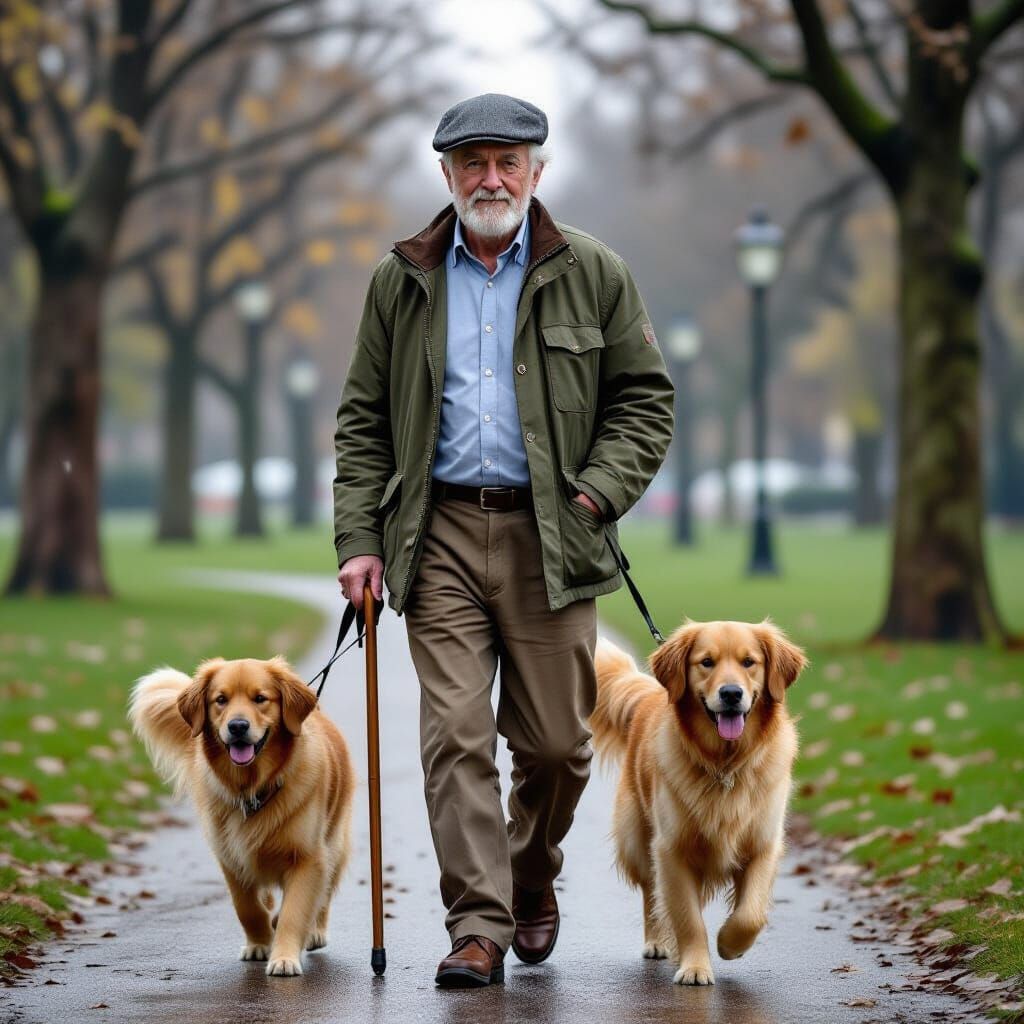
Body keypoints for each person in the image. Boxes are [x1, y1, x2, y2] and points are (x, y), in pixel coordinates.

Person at [333, 93, 673, 988]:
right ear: (446, 175)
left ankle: (529, 876)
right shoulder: (399, 279)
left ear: (536, 173)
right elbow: (363, 421)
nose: (491, 178)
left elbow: (646, 399)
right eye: (473, 162)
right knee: (454, 735)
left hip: (554, 534)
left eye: (508, 162)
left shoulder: (593, 271)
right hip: (436, 531)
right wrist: (359, 540)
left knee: (559, 744)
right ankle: (476, 927)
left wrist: (599, 494)